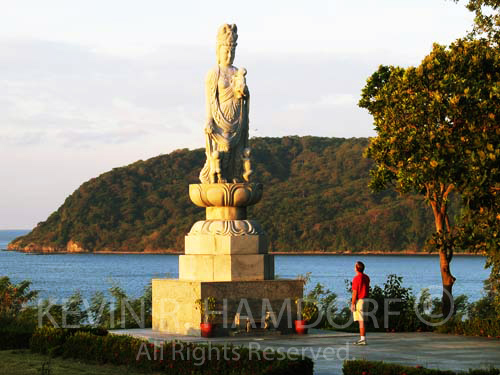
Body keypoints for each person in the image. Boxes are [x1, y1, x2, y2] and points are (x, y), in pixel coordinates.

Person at [199, 23, 251, 184]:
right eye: (226, 51)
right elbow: (210, 99)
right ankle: (218, 174)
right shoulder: (214, 73)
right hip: (220, 117)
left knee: (238, 151)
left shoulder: (237, 72)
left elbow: (243, 94)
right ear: (219, 51)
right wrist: (209, 119)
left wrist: (244, 92)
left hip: (237, 116)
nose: (229, 56)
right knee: (224, 148)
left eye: (232, 51)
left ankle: (233, 175)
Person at [351, 261, 370, 345]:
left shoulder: (356, 278)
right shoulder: (366, 277)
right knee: (363, 320)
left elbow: (355, 292)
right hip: (366, 300)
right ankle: (363, 338)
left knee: (361, 321)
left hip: (360, 301)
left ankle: (363, 339)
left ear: (357, 268)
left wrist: (353, 304)